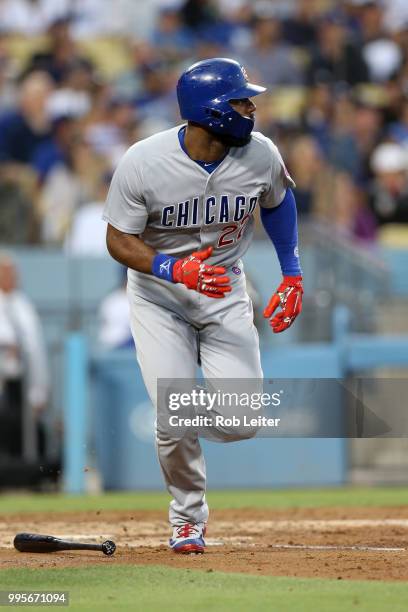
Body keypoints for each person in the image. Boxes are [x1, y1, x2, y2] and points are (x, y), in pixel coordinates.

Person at [103, 57, 303, 554]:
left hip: (225, 292)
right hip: (158, 296)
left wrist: (292, 273)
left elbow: (278, 203)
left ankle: (173, 416)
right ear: (211, 110)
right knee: (174, 415)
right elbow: (117, 240)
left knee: (242, 421)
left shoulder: (261, 154)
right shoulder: (143, 161)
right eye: (240, 100)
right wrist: (173, 268)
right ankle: (187, 520)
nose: (251, 108)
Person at [0, 253, 49, 458]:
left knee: (26, 434)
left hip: (21, 383)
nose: (13, 277)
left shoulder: (22, 303)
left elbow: (35, 349)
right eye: (7, 273)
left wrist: (40, 390)